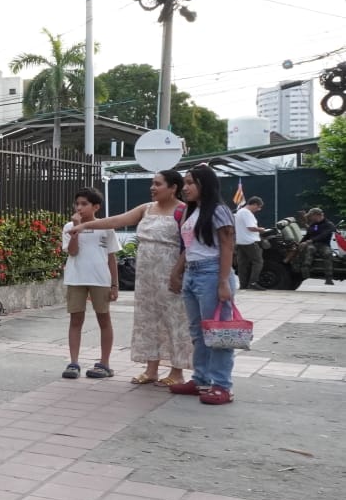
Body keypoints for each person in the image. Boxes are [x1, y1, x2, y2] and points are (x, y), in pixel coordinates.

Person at [73, 170, 191, 386]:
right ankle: (151, 369)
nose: (152, 188)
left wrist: (177, 273)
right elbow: (116, 221)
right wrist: (86, 224)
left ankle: (177, 371)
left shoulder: (183, 211)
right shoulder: (146, 208)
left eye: (158, 184)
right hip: (146, 276)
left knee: (175, 321)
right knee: (148, 320)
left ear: (173, 188)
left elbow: (190, 244)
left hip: (171, 273)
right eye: (152, 184)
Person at [171, 164, 239, 405]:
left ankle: (222, 385)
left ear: (205, 185)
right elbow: (189, 247)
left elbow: (227, 246)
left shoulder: (219, 210)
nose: (185, 188)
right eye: (185, 183)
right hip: (192, 272)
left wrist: (223, 282)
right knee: (198, 333)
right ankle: (201, 379)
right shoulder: (191, 212)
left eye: (191, 183)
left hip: (212, 273)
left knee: (218, 332)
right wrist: (177, 273)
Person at [59, 187, 120, 379]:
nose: (79, 207)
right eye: (77, 203)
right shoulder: (69, 227)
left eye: (84, 204)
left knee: (104, 319)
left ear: (96, 207)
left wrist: (115, 285)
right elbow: (72, 252)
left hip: (100, 279)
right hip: (76, 278)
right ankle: (74, 362)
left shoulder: (106, 227)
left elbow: (111, 258)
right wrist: (76, 230)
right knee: (76, 320)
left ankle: (104, 363)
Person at [232, 196, 264, 289]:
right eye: (258, 207)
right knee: (258, 261)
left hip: (241, 242)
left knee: (243, 264)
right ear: (254, 204)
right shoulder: (246, 213)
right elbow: (250, 227)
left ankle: (243, 284)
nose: (258, 209)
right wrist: (261, 229)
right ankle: (253, 283)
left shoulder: (240, 212)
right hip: (250, 242)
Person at [302, 208, 337, 286]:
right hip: (313, 244)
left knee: (327, 253)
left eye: (311, 216)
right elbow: (308, 235)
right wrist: (301, 242)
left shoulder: (329, 224)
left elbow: (323, 235)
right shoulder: (314, 224)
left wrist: (311, 240)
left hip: (324, 244)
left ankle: (329, 277)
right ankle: (306, 269)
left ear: (316, 215)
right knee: (310, 249)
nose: (310, 218)